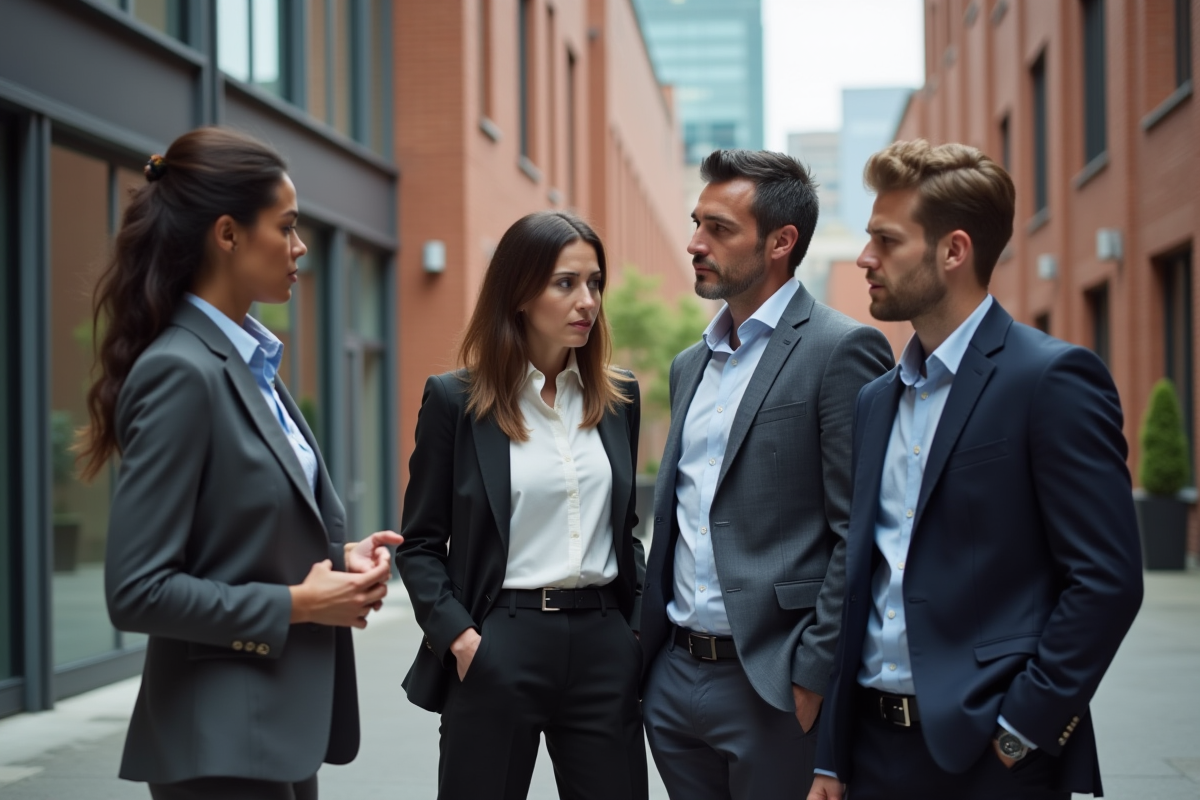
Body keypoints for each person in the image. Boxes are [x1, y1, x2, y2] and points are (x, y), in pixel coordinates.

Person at [809, 140, 1144, 800]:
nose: (864, 258)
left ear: (953, 250)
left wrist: (1025, 728)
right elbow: (862, 580)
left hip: (991, 760)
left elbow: (1106, 579)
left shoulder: (1050, 380)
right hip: (871, 753)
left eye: (886, 239)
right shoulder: (876, 399)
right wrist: (831, 756)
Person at [80, 127, 403, 800]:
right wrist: (300, 604)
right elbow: (136, 590)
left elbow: (233, 536)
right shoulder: (180, 371)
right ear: (226, 235)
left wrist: (339, 562)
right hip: (218, 744)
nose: (300, 247)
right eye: (285, 228)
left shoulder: (247, 362)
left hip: (273, 733)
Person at [638, 149, 895, 800]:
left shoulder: (841, 349)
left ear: (781, 242)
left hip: (773, 687)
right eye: (697, 222)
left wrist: (812, 673)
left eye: (719, 229)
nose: (695, 243)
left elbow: (855, 530)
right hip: (674, 682)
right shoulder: (688, 364)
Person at [396, 210, 648, 800]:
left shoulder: (619, 397)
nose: (587, 301)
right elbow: (421, 545)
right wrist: (460, 638)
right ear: (518, 293)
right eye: (566, 283)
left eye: (595, 283)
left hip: (604, 646)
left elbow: (624, 528)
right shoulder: (455, 401)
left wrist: (633, 630)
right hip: (499, 640)